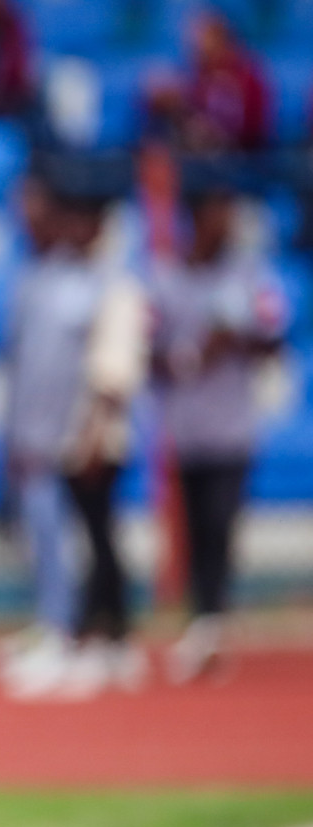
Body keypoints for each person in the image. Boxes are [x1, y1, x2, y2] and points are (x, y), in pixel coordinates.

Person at [0, 172, 149, 699]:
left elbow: (114, 373)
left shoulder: (111, 282)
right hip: (45, 437)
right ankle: (73, 633)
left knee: (95, 538)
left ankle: (107, 637)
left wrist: (88, 434)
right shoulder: (41, 277)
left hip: (89, 438)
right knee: (59, 540)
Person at [151, 182, 287, 682]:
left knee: (221, 526)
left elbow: (276, 339)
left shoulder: (250, 275)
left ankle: (212, 626)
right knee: (196, 529)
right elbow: (150, 351)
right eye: (218, 214)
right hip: (186, 429)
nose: (227, 225)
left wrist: (240, 339)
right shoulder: (167, 279)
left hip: (233, 429)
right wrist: (191, 356)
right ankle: (203, 621)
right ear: (196, 219)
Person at [142, 12, 269, 154]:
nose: (193, 46)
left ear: (219, 38)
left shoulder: (244, 77)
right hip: (199, 155)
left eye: (199, 39)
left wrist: (188, 116)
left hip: (239, 157)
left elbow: (242, 131)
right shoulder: (198, 74)